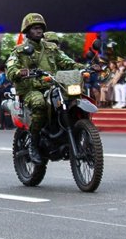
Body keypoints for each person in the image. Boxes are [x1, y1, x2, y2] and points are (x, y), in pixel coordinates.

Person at [6, 13, 82, 165]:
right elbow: (10, 68)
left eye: (40, 27)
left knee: (72, 99)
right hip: (31, 90)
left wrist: (83, 67)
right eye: (35, 28)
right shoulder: (20, 51)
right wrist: (19, 72)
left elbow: (66, 61)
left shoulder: (51, 48)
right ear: (27, 31)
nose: (39, 30)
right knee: (40, 104)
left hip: (53, 86)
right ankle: (33, 144)